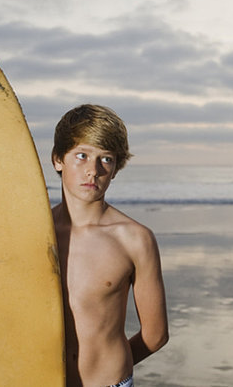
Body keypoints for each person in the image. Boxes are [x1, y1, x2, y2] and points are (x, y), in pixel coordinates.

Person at [51, 104, 169, 387]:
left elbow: (156, 335)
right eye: (82, 155)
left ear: (116, 169)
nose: (93, 170)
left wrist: (115, 367)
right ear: (58, 159)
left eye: (106, 159)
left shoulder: (134, 239)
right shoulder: (32, 232)